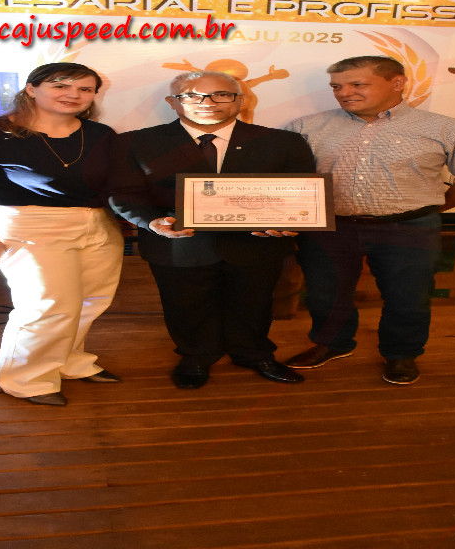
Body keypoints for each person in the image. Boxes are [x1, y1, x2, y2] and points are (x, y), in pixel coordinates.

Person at [283, 56, 455, 385]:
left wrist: (432, 207)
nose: (344, 93)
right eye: (336, 86)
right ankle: (333, 343)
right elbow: (282, 178)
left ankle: (401, 354)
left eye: (358, 84)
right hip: (330, 227)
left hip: (410, 228)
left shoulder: (446, 128)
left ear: (397, 83)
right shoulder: (305, 127)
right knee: (325, 293)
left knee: (408, 296)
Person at [109, 71, 315, 389]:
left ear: (240, 100)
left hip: (257, 243)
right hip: (178, 243)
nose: (207, 102)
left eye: (222, 94)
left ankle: (254, 353)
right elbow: (124, 193)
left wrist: (288, 221)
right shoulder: (135, 142)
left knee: (255, 304)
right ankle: (195, 356)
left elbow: (299, 192)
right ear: (172, 102)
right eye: (192, 95)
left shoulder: (283, 141)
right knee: (185, 305)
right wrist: (150, 222)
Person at [0, 63, 125, 406]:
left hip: (98, 224)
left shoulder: (101, 134)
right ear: (31, 88)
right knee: (47, 306)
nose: (73, 95)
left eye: (85, 89)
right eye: (61, 86)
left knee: (92, 301)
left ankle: (69, 362)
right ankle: (27, 379)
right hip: (29, 226)